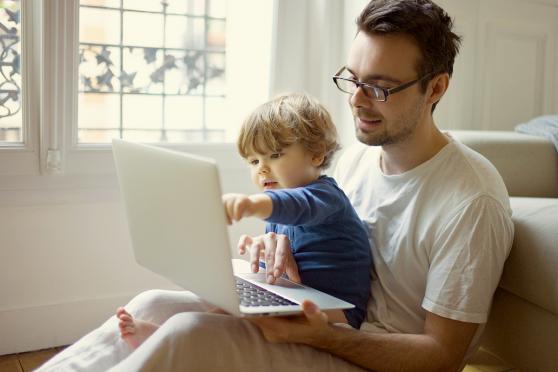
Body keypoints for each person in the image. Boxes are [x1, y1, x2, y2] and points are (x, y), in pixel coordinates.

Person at [37, 1, 514, 371]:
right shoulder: (359, 161)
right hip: (320, 319)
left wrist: (323, 337)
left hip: (364, 356)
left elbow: (443, 358)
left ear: (436, 88)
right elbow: (323, 239)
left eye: (382, 87)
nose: (359, 102)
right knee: (152, 304)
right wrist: (278, 250)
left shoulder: (471, 200)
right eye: (354, 80)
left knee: (187, 334)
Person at [115, 93, 372, 349]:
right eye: (253, 160)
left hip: (339, 314)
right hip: (301, 297)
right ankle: (162, 336)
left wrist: (251, 204)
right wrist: (259, 265)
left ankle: (165, 340)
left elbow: (298, 205)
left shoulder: (325, 197)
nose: (261, 168)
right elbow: (281, 267)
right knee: (229, 307)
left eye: (275, 155)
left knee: (230, 322)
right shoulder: (276, 211)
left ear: (316, 155)